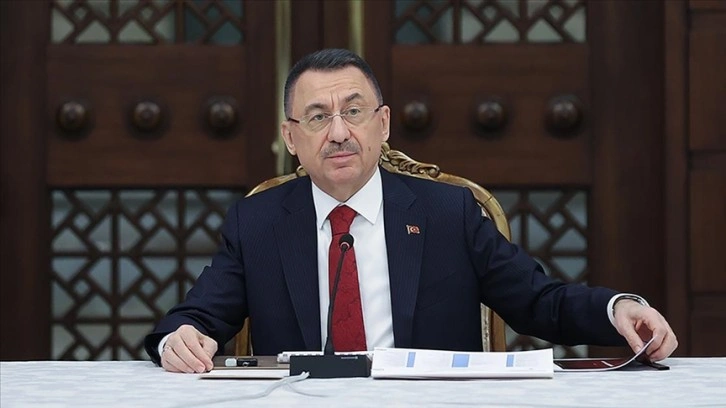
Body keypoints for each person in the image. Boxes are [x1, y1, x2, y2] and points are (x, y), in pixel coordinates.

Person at [144, 48, 677, 373]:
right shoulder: (258, 222)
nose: (338, 133)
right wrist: (179, 340)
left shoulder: (448, 213)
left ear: (383, 124)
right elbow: (195, 318)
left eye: (354, 111)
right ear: (290, 138)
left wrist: (617, 309)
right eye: (317, 117)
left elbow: (538, 302)